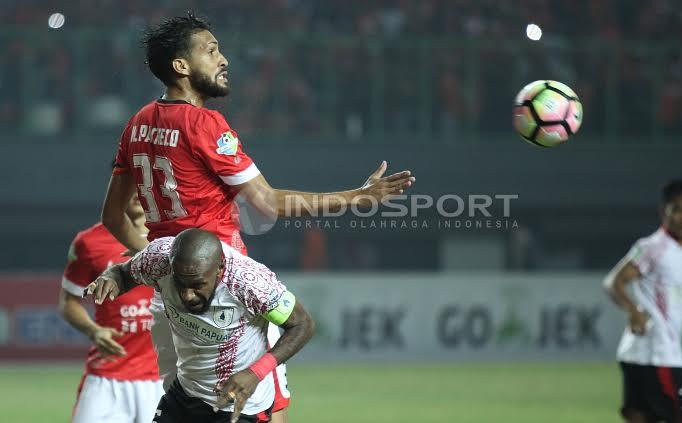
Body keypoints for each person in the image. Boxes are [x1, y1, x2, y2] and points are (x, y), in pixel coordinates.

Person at [101, 12, 415, 422]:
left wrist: (161, 265)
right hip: (225, 291)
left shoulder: (138, 123)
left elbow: (113, 215)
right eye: (210, 51)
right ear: (181, 66)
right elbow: (267, 202)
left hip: (169, 301)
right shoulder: (204, 124)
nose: (223, 58)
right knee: (260, 406)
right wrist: (357, 197)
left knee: (192, 406)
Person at [85, 229, 315, 423]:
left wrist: (255, 373)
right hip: (185, 394)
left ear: (220, 268)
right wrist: (111, 279)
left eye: (197, 285)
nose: (187, 295)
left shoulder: (250, 282)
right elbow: (124, 273)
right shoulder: (159, 259)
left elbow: (302, 324)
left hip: (238, 407)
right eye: (180, 283)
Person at [603, 179, 682, 423]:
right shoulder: (652, 247)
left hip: (639, 355)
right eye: (677, 210)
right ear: (664, 212)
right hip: (657, 354)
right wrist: (633, 311)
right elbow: (613, 282)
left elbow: (678, 297)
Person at [59, 193, 162, 422]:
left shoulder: (173, 239)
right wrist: (94, 331)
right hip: (108, 375)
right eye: (128, 184)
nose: (135, 191)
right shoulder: (90, 242)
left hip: (164, 377)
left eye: (140, 182)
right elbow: (68, 302)